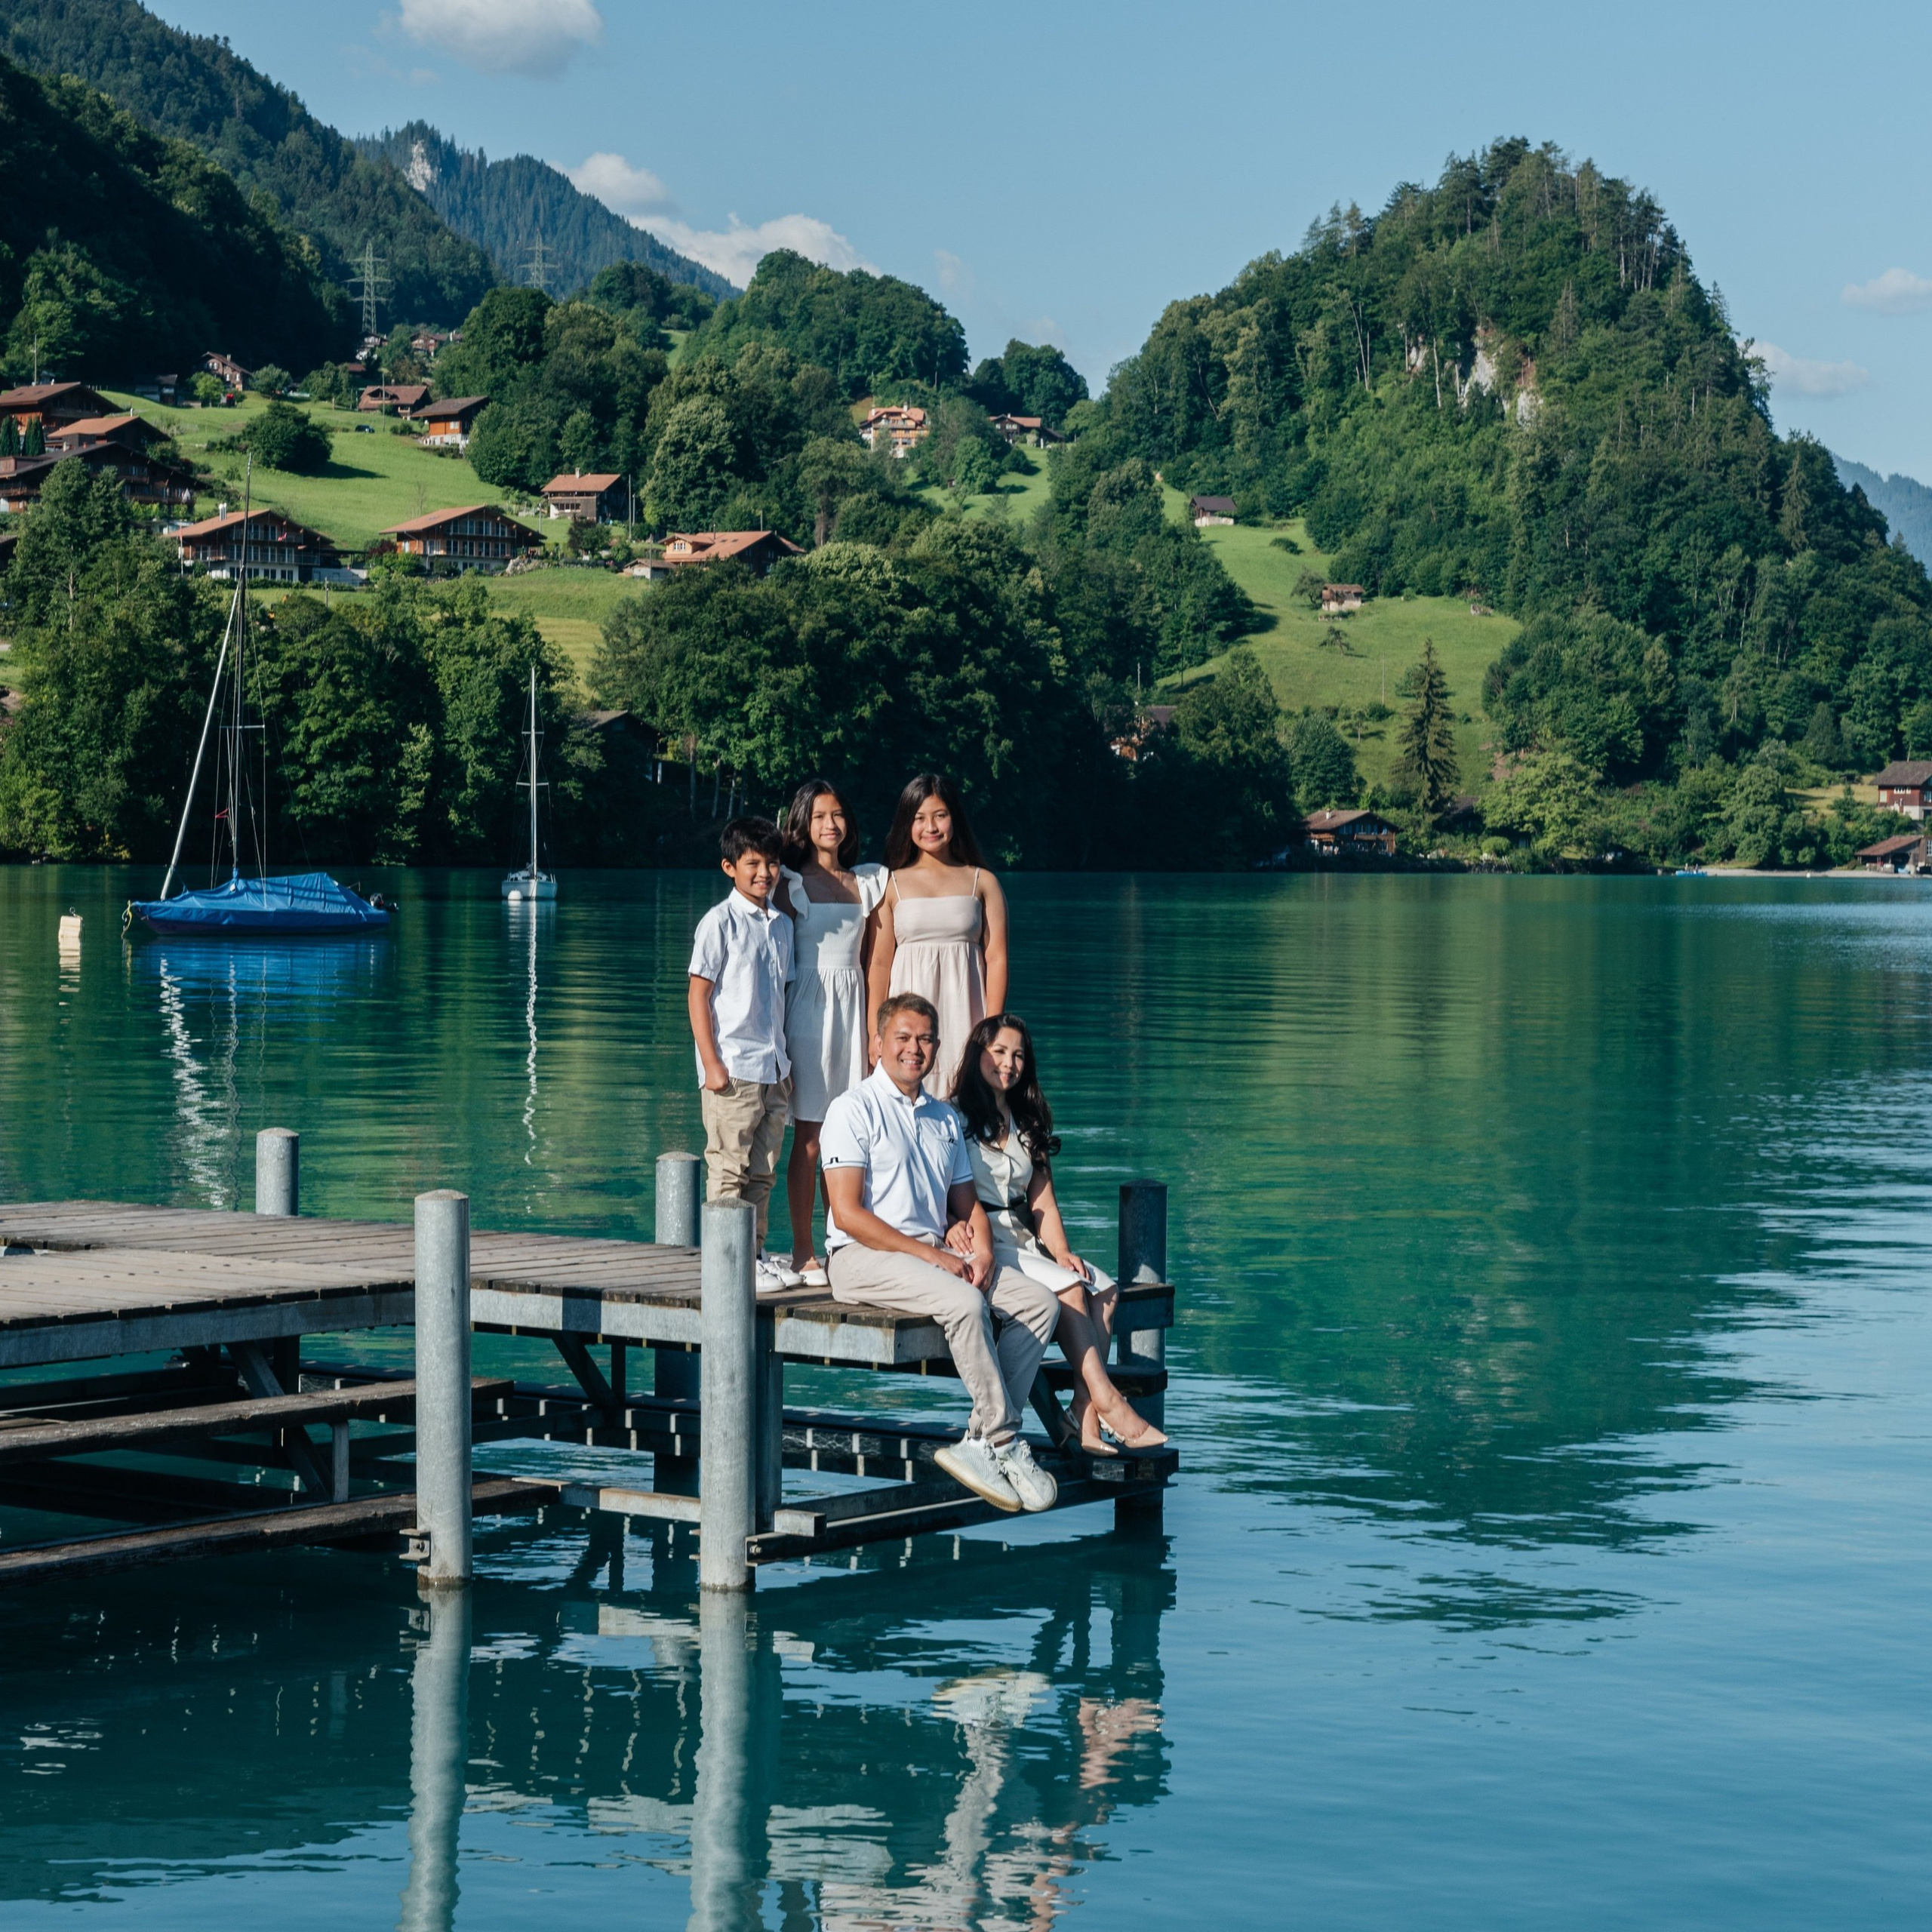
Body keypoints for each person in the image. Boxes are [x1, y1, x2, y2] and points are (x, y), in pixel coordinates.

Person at [820, 992, 1061, 1512]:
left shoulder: (944, 1119)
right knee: (965, 1303)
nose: (915, 1048)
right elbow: (847, 1214)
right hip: (861, 1257)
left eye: (926, 1039)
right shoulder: (851, 1109)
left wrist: (984, 1254)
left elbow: (967, 1204)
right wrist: (934, 1258)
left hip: (931, 1254)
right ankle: (1003, 1439)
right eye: (903, 1038)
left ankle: (977, 1441)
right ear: (878, 1043)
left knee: (1042, 1303)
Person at [950, 1014, 1168, 1454]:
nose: (1009, 1064)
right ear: (978, 1054)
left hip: (1021, 1237)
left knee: (1102, 1290)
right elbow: (940, 1188)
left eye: (1018, 1055)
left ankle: (1082, 1414)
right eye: (999, 1052)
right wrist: (952, 1225)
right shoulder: (952, 1117)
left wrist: (1063, 1251)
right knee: (1070, 1289)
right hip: (981, 1240)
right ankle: (1109, 1402)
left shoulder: (1026, 1121)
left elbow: (1042, 1202)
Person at [774, 780, 888, 1288]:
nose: (831, 825)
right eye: (820, 816)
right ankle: (802, 1250)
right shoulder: (790, 883)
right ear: (802, 823)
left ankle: (841, 1241)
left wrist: (873, 1032)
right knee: (812, 1138)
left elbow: (872, 963)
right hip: (806, 1011)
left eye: (838, 814)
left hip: (853, 1008)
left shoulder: (867, 883)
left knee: (851, 1136)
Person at [687, 816, 798, 1292]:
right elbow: (698, 994)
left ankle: (753, 1253)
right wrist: (712, 1064)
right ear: (730, 867)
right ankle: (726, 1259)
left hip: (774, 1066)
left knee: (763, 1170)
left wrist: (786, 1064)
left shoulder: (783, 926)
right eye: (753, 863)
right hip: (733, 1068)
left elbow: (779, 998)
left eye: (772, 863)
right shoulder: (720, 921)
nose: (764, 873)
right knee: (728, 1167)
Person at [866, 774, 1008, 1098]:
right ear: (906, 824)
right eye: (919, 818)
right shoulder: (890, 885)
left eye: (940, 815)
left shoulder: (983, 882)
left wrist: (992, 1028)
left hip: (966, 1013)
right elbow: (878, 965)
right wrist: (876, 1031)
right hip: (907, 1015)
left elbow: (997, 958)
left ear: (954, 818)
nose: (930, 827)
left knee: (967, 1110)